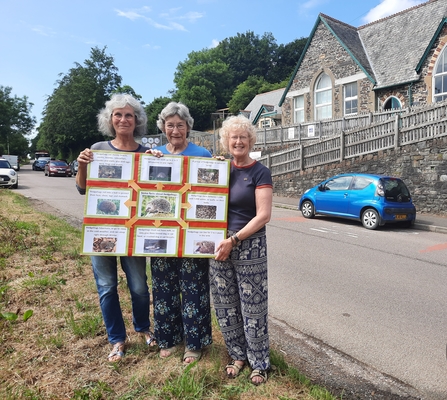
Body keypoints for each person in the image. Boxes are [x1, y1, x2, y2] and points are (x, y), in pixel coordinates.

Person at [76, 93, 156, 362]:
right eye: (118, 114)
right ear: (110, 120)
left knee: (139, 286)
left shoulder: (146, 152)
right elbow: (81, 188)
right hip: (103, 231)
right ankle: (117, 339)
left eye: (129, 115)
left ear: (137, 121)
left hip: (134, 233)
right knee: (107, 286)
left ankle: (144, 328)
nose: (123, 119)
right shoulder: (97, 149)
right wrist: (81, 165)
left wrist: (159, 160)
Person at [209, 115, 273, 385]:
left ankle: (259, 362)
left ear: (250, 141)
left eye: (243, 137)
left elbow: (263, 215)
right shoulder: (220, 169)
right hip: (218, 243)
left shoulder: (260, 172)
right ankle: (237, 355)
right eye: (233, 137)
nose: (238, 141)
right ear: (226, 141)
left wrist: (233, 239)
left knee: (253, 307)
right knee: (226, 305)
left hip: (249, 245)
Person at [148, 101, 213, 365]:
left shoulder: (203, 153)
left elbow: (211, 192)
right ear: (163, 127)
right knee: (164, 288)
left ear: (188, 127)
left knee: (194, 287)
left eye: (180, 125)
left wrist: (218, 168)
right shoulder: (154, 155)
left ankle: (194, 344)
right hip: (160, 232)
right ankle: (169, 339)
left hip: (192, 234)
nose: (175, 130)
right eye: (170, 124)